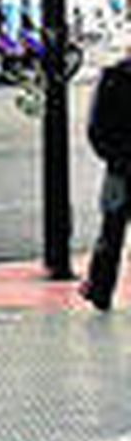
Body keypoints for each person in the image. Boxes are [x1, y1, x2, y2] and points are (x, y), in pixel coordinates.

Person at [79, 28, 131, 312]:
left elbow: (97, 128)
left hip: (120, 168)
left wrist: (113, 156)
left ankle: (100, 289)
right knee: (110, 231)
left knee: (111, 231)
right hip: (120, 165)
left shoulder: (114, 78)